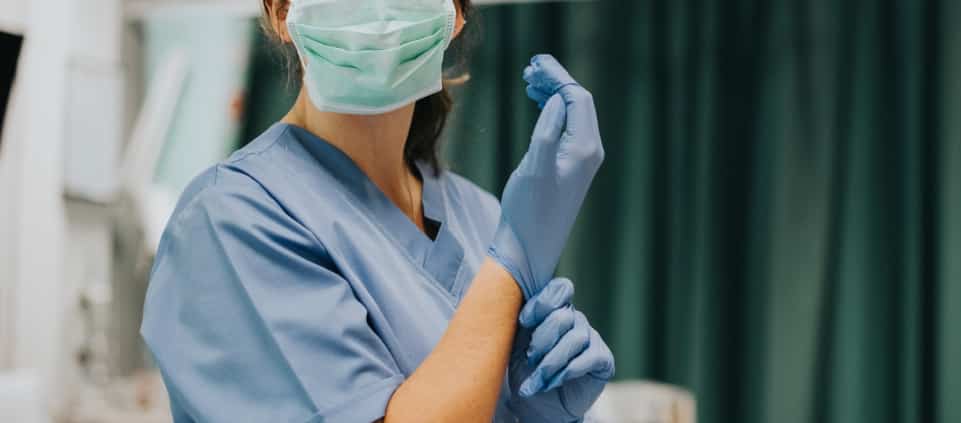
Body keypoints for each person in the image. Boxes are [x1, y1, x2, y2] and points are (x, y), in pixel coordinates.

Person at [139, 0, 614, 421]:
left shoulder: (481, 216)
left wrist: (532, 414)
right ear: (281, 12)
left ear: (456, 13)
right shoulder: (230, 221)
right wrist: (511, 260)